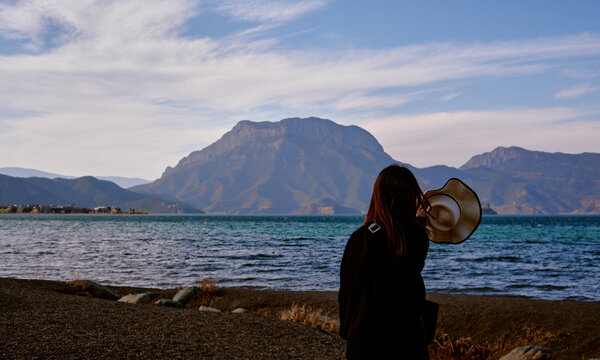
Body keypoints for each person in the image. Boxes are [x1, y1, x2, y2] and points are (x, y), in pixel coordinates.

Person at [338, 165, 431, 359]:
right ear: (409, 195)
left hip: (368, 338)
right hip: (409, 338)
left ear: (378, 195)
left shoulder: (363, 237)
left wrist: (346, 330)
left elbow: (349, 289)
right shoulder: (419, 237)